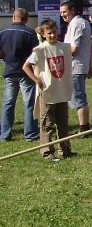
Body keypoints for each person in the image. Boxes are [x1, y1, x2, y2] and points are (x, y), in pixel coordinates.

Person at [22, 19, 73, 161]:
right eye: (49, 33)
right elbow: (26, 66)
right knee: (47, 123)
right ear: (44, 34)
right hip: (48, 91)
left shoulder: (63, 47)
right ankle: (47, 151)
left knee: (63, 122)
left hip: (61, 89)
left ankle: (65, 148)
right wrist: (37, 79)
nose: (52, 35)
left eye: (54, 32)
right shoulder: (40, 49)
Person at [0, 8, 39, 141]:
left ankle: (5, 134)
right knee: (29, 104)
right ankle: (30, 134)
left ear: (13, 17)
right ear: (26, 19)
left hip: (10, 71)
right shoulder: (29, 33)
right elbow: (36, 53)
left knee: (8, 104)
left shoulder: (3, 32)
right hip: (26, 72)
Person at [59, 0, 92, 135]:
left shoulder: (77, 24)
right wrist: (90, 65)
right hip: (80, 66)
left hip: (76, 67)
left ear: (72, 10)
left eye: (65, 12)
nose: (62, 15)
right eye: (61, 12)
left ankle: (83, 128)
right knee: (79, 96)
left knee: (78, 98)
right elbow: (90, 47)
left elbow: (74, 49)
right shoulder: (79, 23)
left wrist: (59, 54)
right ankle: (84, 126)